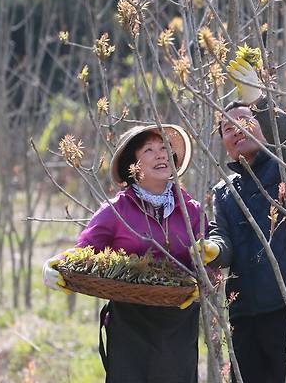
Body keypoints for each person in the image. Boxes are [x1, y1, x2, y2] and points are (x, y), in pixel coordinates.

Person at [42, 123, 205, 383]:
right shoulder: (115, 210)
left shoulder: (191, 211)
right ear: (133, 165)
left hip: (179, 325)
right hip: (131, 325)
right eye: (149, 149)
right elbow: (84, 251)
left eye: (165, 148)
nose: (161, 154)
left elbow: (210, 258)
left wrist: (207, 277)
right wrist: (55, 263)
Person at [198, 57, 286, 382]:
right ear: (223, 144)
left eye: (244, 120)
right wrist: (211, 249)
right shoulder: (224, 192)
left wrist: (260, 101)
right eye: (227, 127)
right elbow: (222, 239)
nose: (236, 129)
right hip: (244, 313)